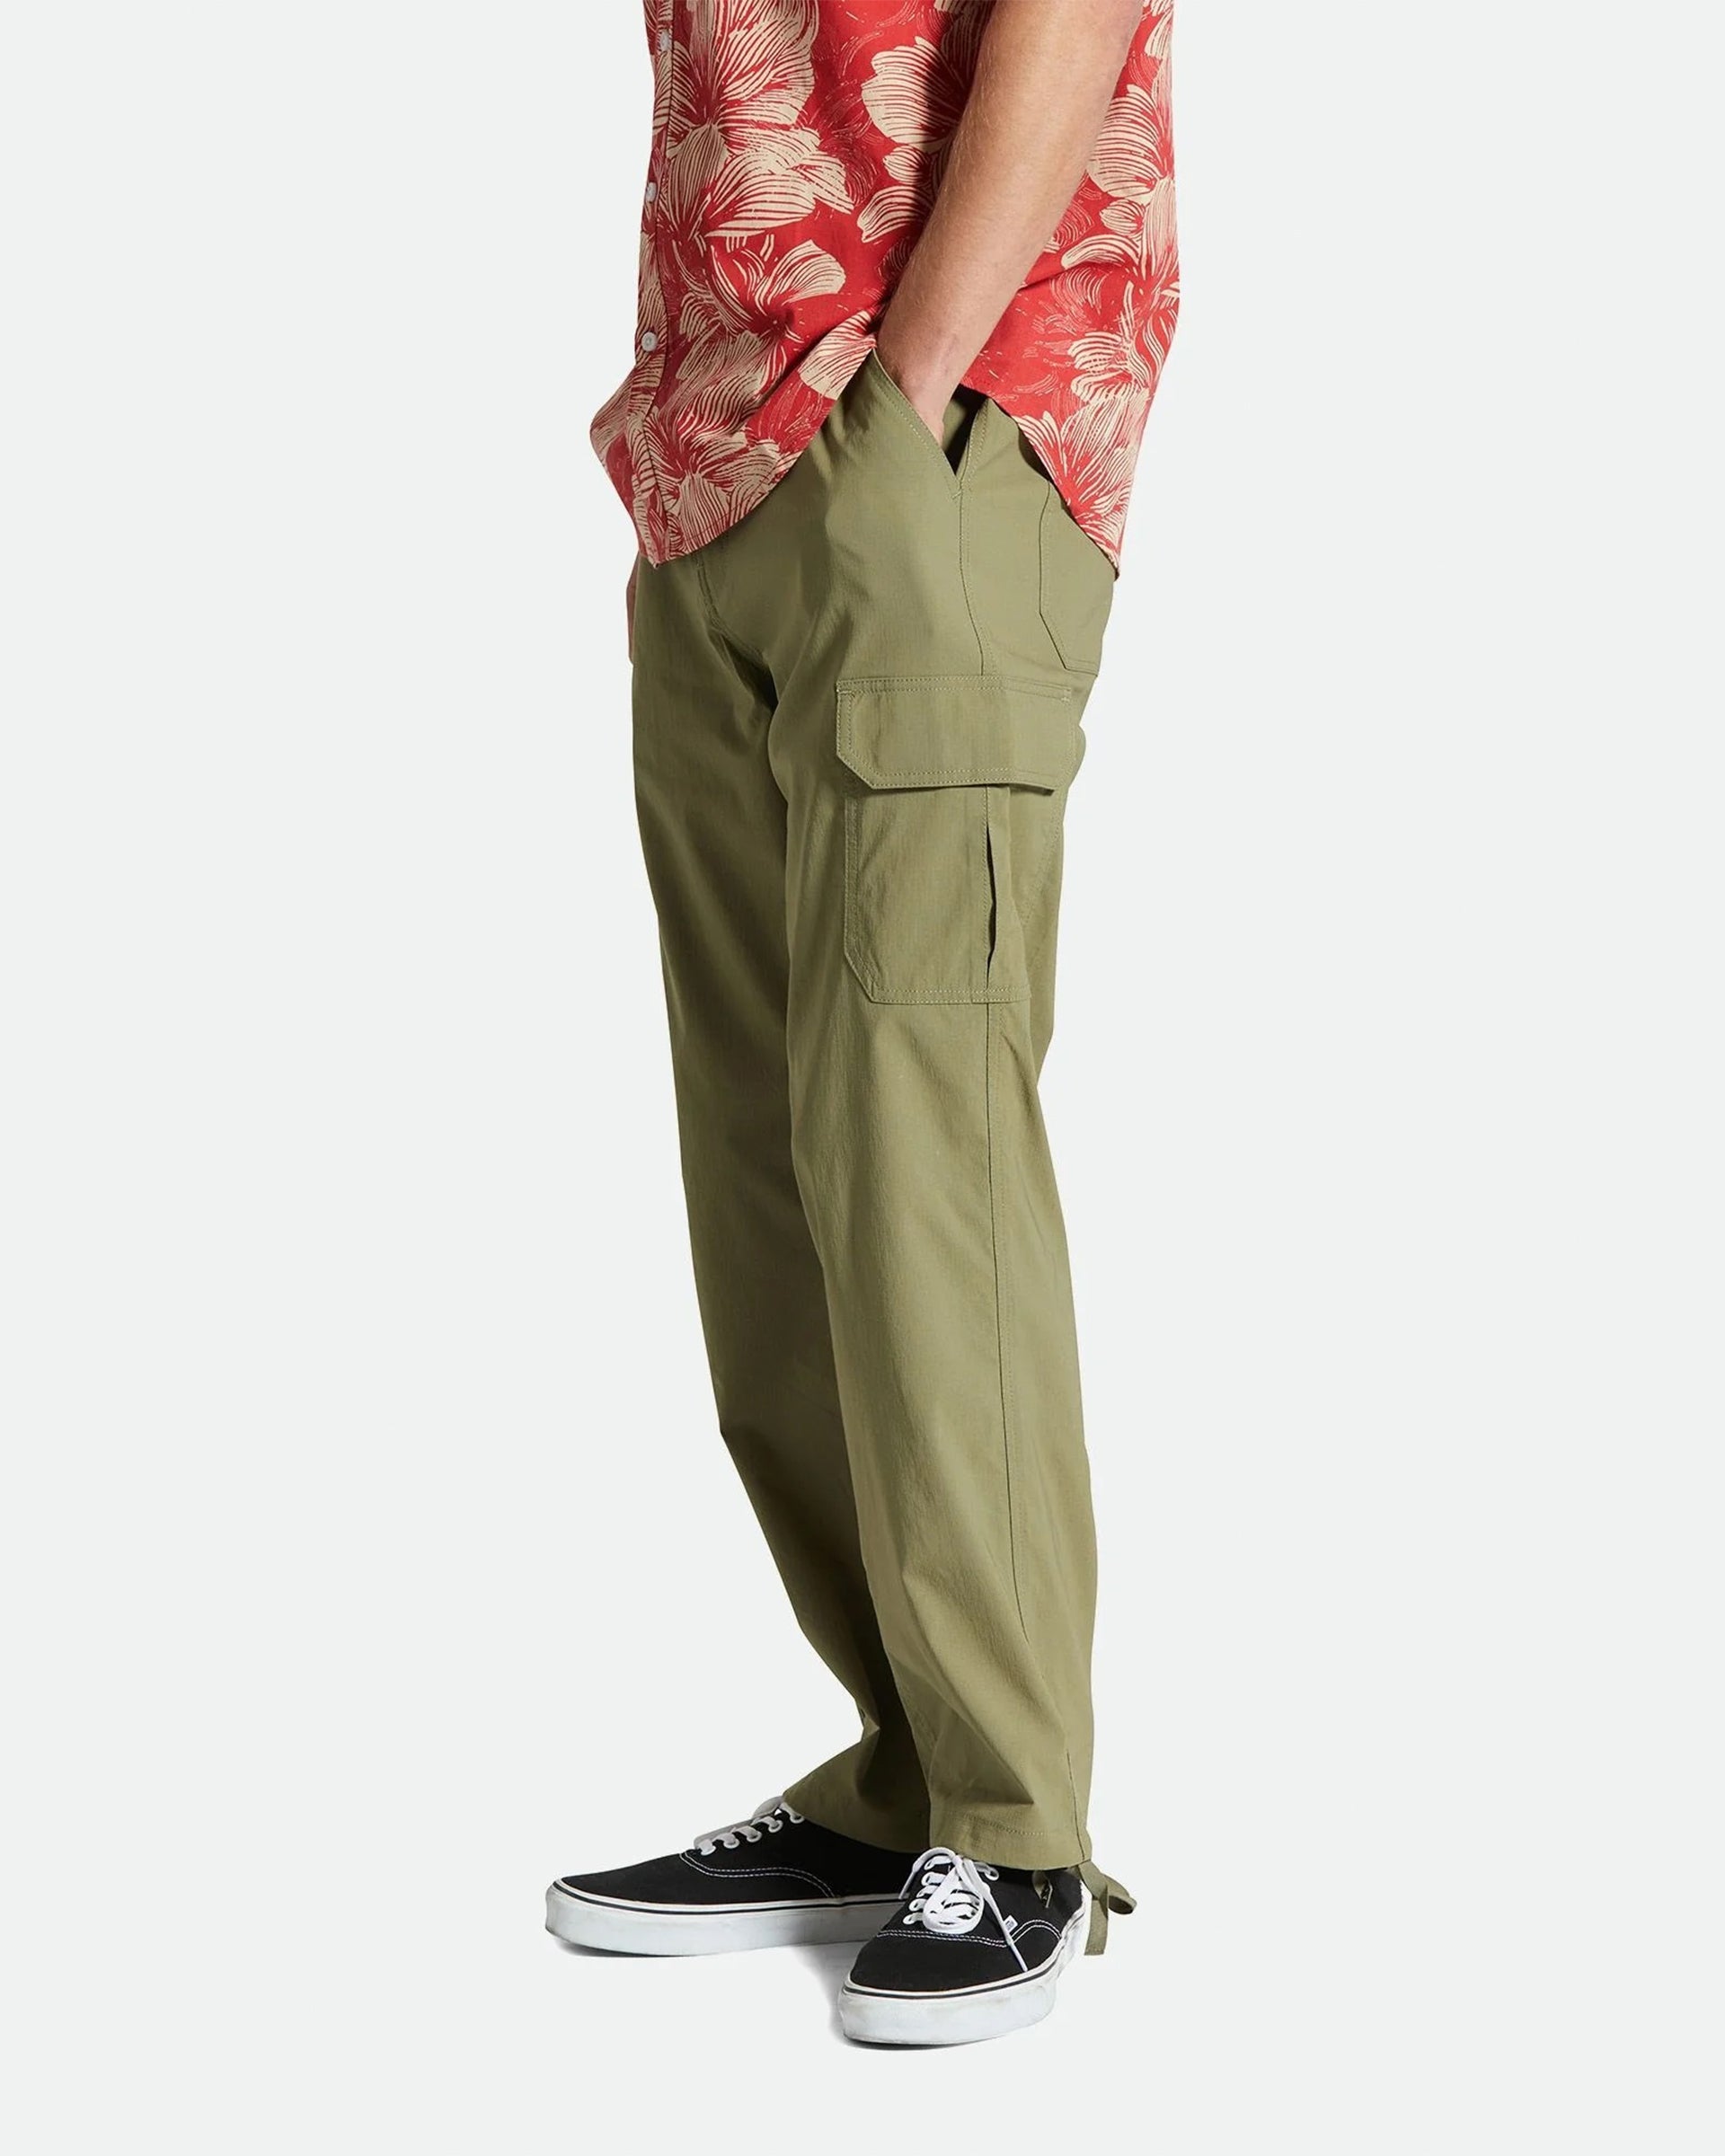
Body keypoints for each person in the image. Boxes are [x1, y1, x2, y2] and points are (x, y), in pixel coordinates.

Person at [546, 0, 1177, 2046]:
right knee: (767, 1173)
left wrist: (903, 393)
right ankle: (903, 1776)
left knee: (921, 1153)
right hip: (715, 458)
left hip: (928, 437)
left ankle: (1013, 1821)